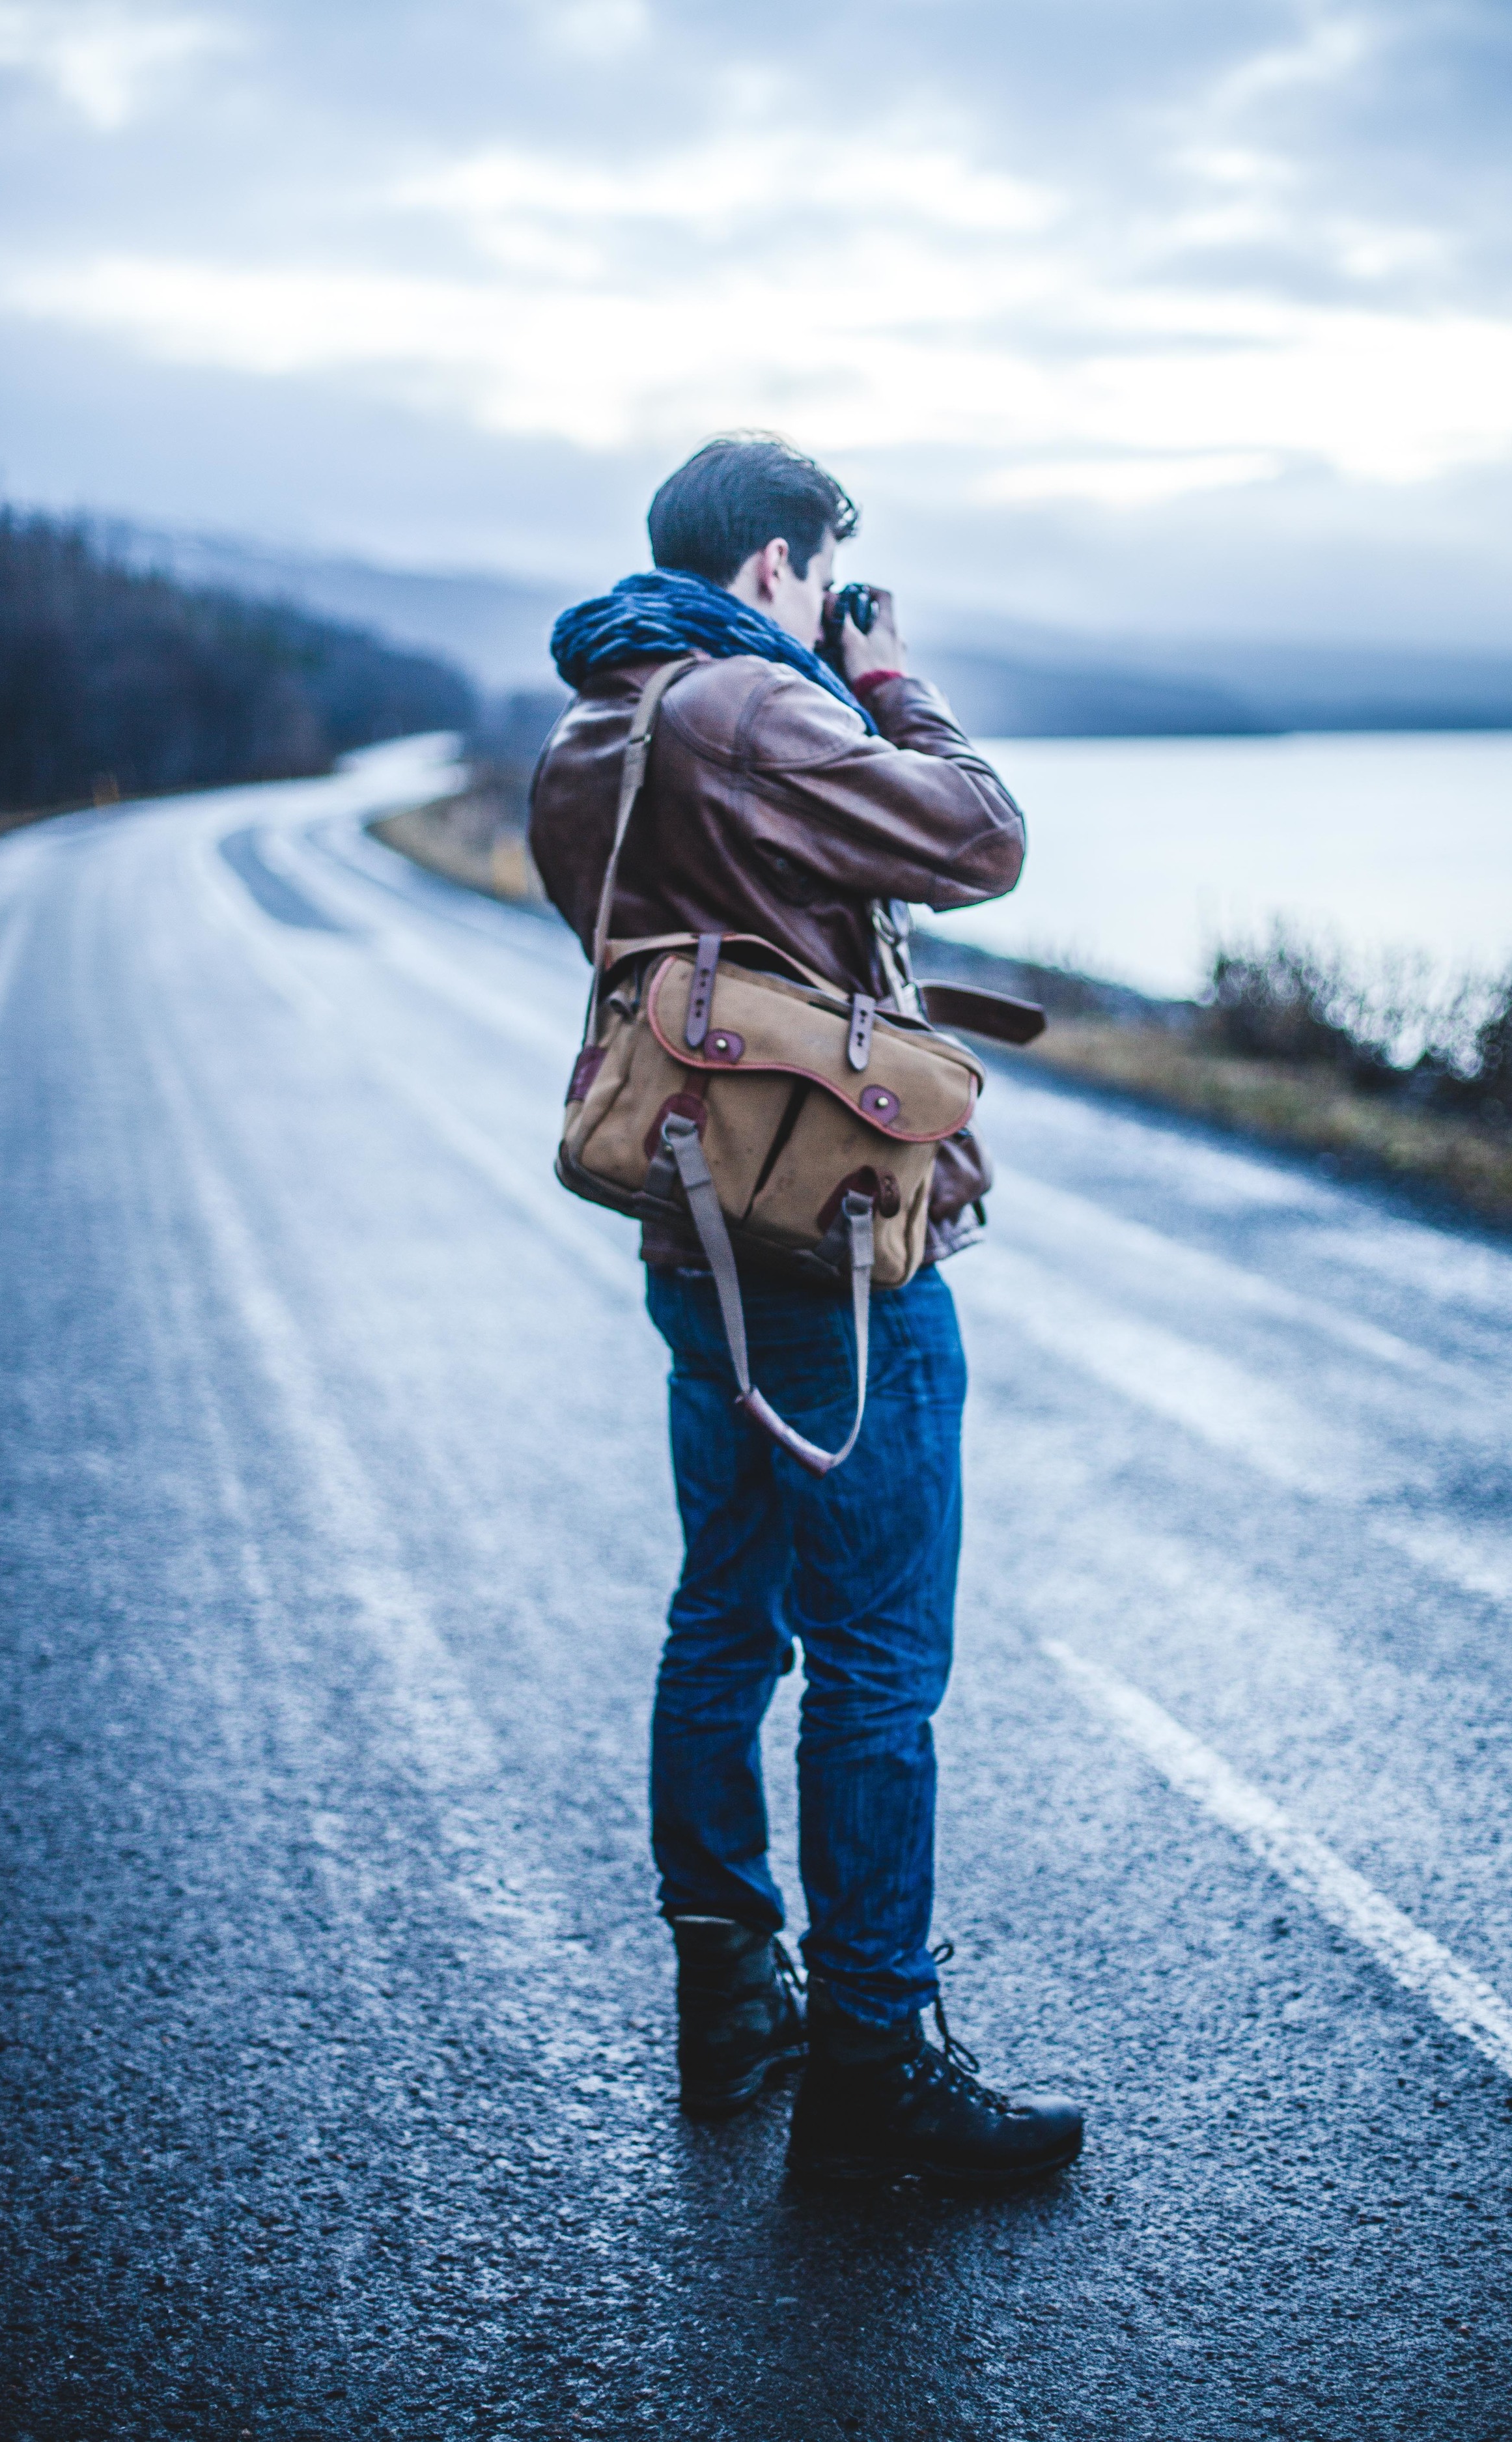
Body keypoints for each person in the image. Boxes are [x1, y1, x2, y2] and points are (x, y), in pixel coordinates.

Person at [529, 434, 1083, 2186]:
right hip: (826, 1236)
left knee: (725, 1612)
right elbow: (977, 839)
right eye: (827, 565)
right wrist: (891, 682)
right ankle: (873, 2067)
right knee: (874, 1663)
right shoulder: (746, 708)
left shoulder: (592, 725)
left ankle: (732, 1995)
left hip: (690, 1215)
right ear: (780, 562)